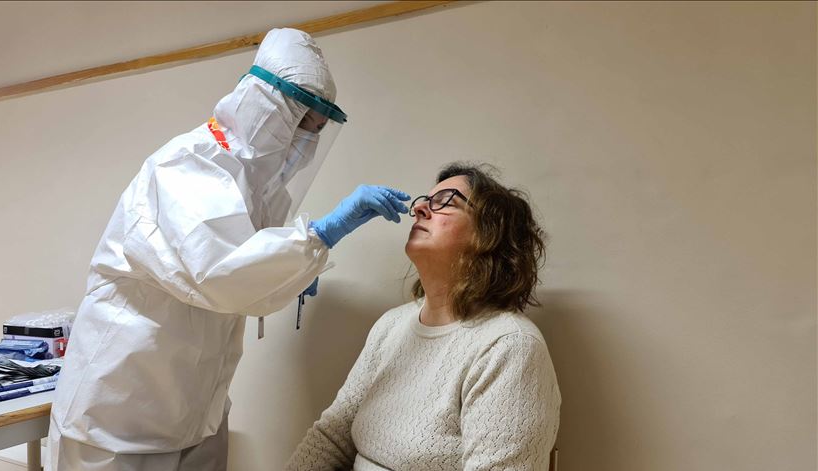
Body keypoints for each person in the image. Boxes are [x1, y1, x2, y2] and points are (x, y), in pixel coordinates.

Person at [48, 28, 410, 471]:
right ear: (267, 106)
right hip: (121, 416)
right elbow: (219, 273)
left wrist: (289, 270)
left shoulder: (257, 189)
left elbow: (240, 271)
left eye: (315, 131)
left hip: (195, 408)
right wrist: (319, 236)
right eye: (302, 123)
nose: (305, 142)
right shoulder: (187, 163)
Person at [286, 162, 561, 471]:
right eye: (424, 201)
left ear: (490, 234)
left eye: (446, 202)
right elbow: (331, 439)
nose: (420, 210)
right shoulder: (391, 325)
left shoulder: (508, 347)